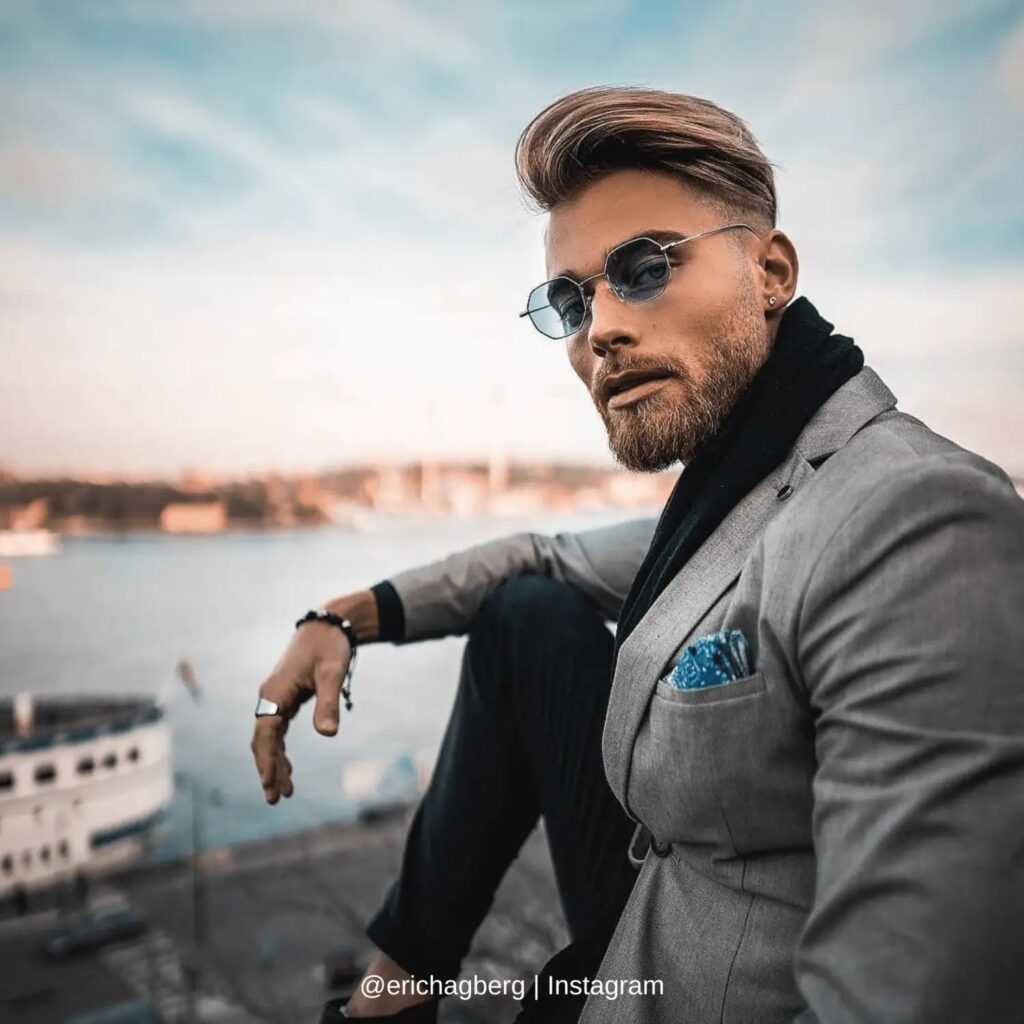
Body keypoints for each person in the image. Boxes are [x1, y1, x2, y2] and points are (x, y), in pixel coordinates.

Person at [250, 86, 1024, 1024]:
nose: (601, 329)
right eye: (573, 299)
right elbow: (544, 556)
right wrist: (343, 618)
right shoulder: (734, 490)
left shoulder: (909, 515)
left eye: (645, 267)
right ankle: (392, 1001)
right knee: (525, 617)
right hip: (639, 930)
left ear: (771, 272)